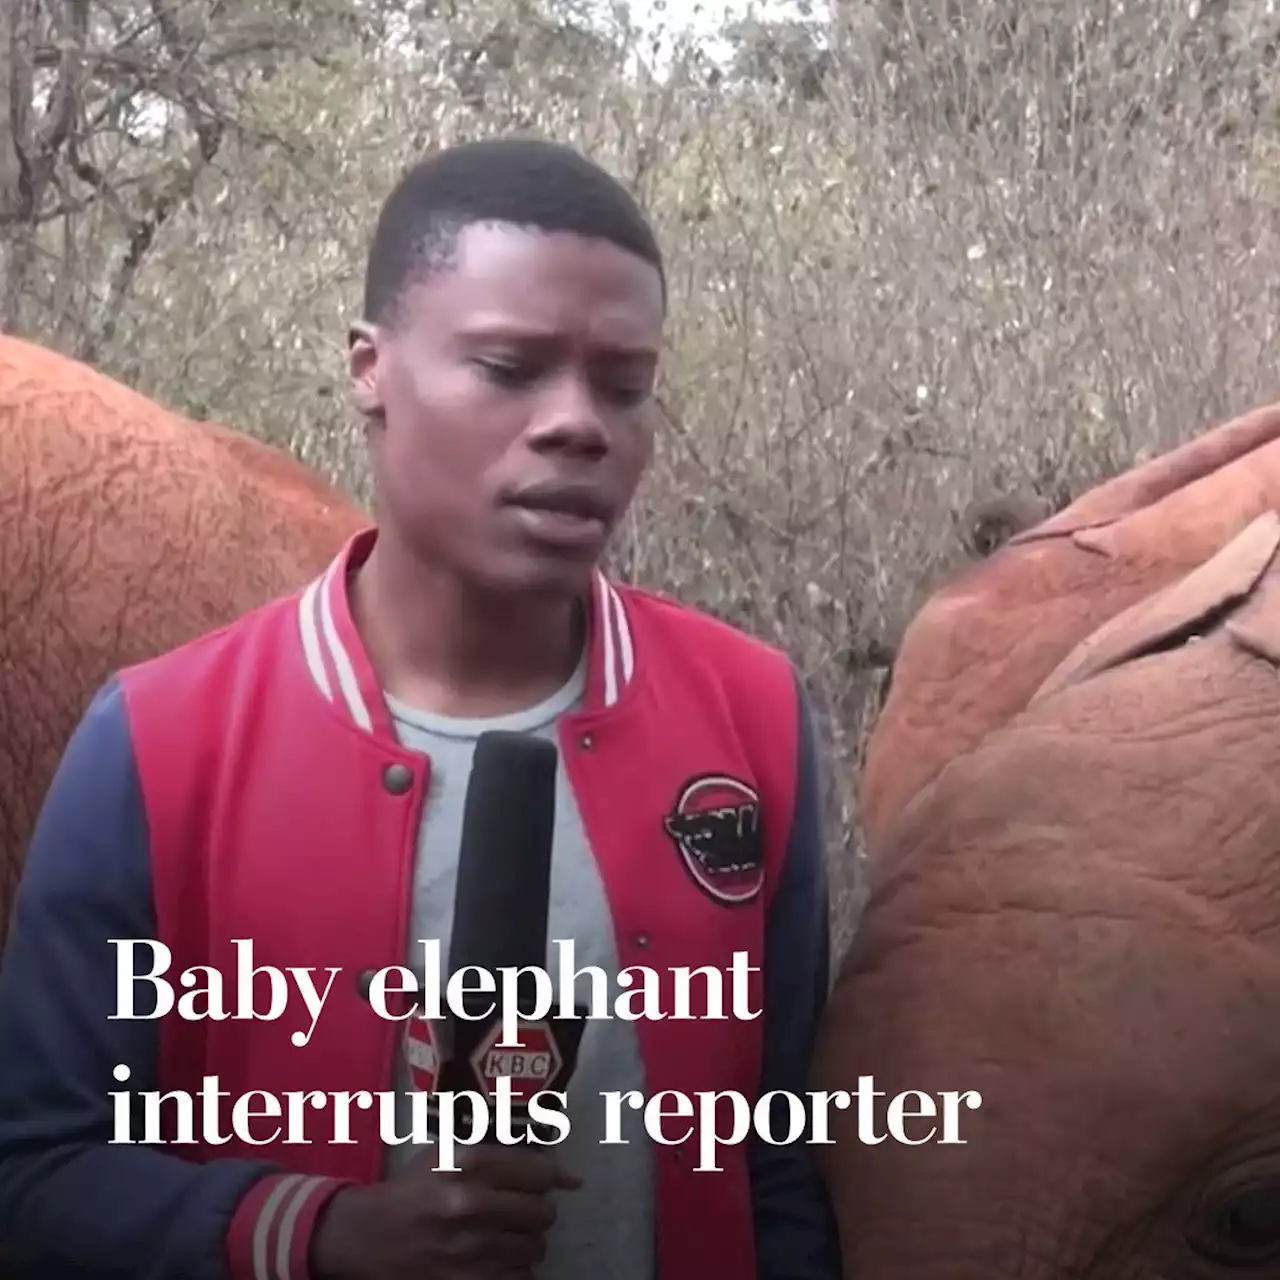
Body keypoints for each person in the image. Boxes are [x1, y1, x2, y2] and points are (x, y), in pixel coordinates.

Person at [0, 136, 840, 1280]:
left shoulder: (750, 715)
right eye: (508, 367)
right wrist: (318, 1229)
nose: (578, 423)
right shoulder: (159, 740)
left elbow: (773, 1155)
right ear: (369, 367)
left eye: (625, 384)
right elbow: (37, 1168)